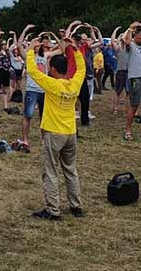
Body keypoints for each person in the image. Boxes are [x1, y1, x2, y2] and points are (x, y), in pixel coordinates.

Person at [26, 36, 86, 220]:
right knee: (70, 169)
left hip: (54, 133)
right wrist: (75, 50)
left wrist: (30, 50)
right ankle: (76, 206)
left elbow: (33, 71)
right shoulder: (74, 83)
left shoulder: (52, 84)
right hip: (70, 133)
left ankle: (53, 210)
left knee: (51, 171)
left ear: (52, 70)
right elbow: (82, 69)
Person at [0, 40, 12, 113]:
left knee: (5, 89)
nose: (4, 45)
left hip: (6, 72)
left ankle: (5, 106)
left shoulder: (7, 52)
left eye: (5, 44)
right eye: (2, 44)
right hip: (0, 71)